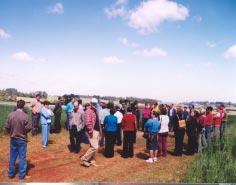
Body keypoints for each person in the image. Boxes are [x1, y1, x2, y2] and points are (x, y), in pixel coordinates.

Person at [5, 100, 32, 180]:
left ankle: (10, 174)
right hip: (22, 139)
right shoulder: (25, 116)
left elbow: (7, 127)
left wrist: (11, 132)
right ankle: (21, 176)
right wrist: (23, 132)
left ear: (17, 105)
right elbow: (29, 128)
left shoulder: (10, 115)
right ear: (23, 106)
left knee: (12, 157)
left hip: (13, 139)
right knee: (22, 158)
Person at [80, 102, 100, 167]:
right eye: (93, 104)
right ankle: (84, 158)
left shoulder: (94, 110)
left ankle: (92, 161)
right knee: (95, 147)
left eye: (95, 104)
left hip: (96, 131)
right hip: (92, 130)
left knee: (93, 146)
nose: (94, 105)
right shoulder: (89, 111)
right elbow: (88, 122)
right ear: (90, 104)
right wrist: (90, 130)